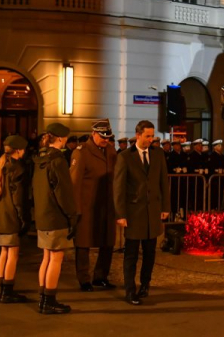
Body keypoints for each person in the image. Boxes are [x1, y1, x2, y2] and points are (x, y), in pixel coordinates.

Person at [114, 120, 170, 306]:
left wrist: (165, 207)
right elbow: (119, 188)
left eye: (152, 136)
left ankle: (145, 284)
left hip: (152, 212)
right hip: (133, 212)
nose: (150, 139)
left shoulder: (158, 154)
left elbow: (163, 182)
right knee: (131, 254)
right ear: (138, 135)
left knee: (149, 253)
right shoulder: (125, 157)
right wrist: (120, 214)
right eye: (147, 136)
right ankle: (130, 290)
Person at [32, 123, 77, 314]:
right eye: (65, 137)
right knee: (56, 258)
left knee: (46, 257)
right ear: (60, 138)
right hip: (56, 216)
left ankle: (43, 298)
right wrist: (71, 215)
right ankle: (49, 300)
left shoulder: (40, 159)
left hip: (42, 214)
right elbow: (64, 193)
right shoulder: (58, 160)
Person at [69, 119, 118, 292]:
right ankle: (84, 279)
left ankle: (101, 277)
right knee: (83, 243)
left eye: (108, 137)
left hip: (107, 205)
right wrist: (76, 209)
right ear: (93, 134)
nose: (105, 140)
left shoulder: (111, 151)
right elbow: (74, 183)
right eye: (102, 137)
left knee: (107, 242)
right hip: (87, 205)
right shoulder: (81, 152)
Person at [0, 135, 30, 304]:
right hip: (11, 215)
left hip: (0, 215)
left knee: (4, 252)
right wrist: (23, 219)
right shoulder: (17, 169)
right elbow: (18, 198)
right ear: (19, 150)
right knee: (13, 253)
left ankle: (2, 287)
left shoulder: (0, 165)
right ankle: (7, 289)